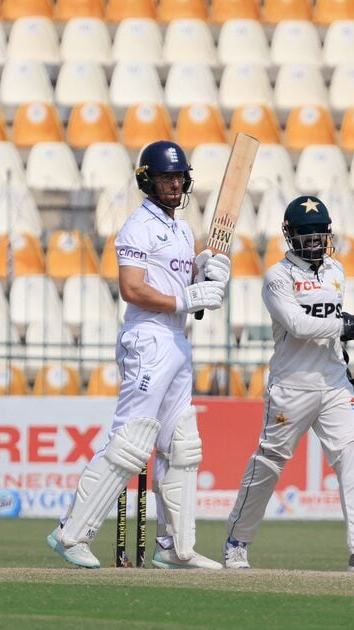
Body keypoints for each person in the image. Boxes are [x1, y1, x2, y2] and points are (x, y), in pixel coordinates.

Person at [47, 140, 231, 570]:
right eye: (167, 177)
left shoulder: (182, 229)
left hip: (177, 339)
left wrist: (205, 272)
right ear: (148, 180)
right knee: (131, 441)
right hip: (147, 338)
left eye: (179, 176)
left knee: (181, 445)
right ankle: (71, 533)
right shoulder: (137, 227)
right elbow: (133, 289)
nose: (174, 183)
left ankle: (175, 549)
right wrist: (187, 296)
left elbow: (187, 292)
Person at [222, 195, 354, 572]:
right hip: (292, 386)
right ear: (290, 236)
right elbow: (300, 326)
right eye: (306, 234)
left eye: (319, 233)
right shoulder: (277, 277)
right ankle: (237, 543)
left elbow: (330, 319)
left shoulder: (336, 270)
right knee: (269, 462)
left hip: (334, 383)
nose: (314, 240)